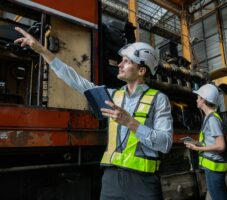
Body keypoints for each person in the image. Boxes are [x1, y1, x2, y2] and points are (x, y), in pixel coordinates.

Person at [14, 27, 173, 200]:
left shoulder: (159, 99)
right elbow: (76, 81)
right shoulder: (112, 96)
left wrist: (131, 123)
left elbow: (165, 144)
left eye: (126, 61)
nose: (119, 64)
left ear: (141, 70)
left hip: (143, 183)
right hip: (111, 180)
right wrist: (42, 50)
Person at [184, 83, 227, 200]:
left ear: (203, 100)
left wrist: (199, 149)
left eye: (198, 97)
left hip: (214, 167)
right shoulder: (208, 117)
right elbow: (210, 142)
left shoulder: (212, 119)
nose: (196, 100)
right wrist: (196, 143)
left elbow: (220, 146)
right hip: (211, 167)